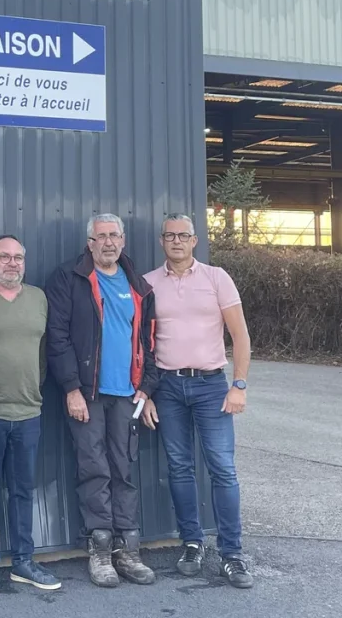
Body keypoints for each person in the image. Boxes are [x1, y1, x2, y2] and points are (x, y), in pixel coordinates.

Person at [45, 213, 159, 589]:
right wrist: (71, 388)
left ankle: (128, 551)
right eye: (101, 237)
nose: (108, 242)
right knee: (93, 468)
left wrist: (147, 386)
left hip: (128, 394)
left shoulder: (138, 284)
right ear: (89, 243)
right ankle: (100, 550)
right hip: (88, 395)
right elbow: (57, 338)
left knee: (123, 469)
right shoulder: (69, 278)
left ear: (123, 240)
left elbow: (150, 339)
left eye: (114, 236)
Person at [142, 214, 254, 589]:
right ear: (162, 242)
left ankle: (232, 554)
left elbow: (240, 335)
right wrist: (148, 394)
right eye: (170, 235)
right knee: (179, 467)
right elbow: (141, 345)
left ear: (194, 241)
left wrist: (238, 385)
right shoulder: (148, 284)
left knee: (222, 468)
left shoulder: (216, 278)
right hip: (168, 388)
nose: (176, 241)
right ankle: (191, 542)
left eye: (183, 235)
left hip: (211, 387)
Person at [0, 236, 61, 598]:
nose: (12, 263)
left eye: (19, 257)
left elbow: (43, 354)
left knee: (22, 492)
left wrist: (33, 390)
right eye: (4, 256)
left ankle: (23, 562)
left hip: (28, 412)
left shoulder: (38, 298)